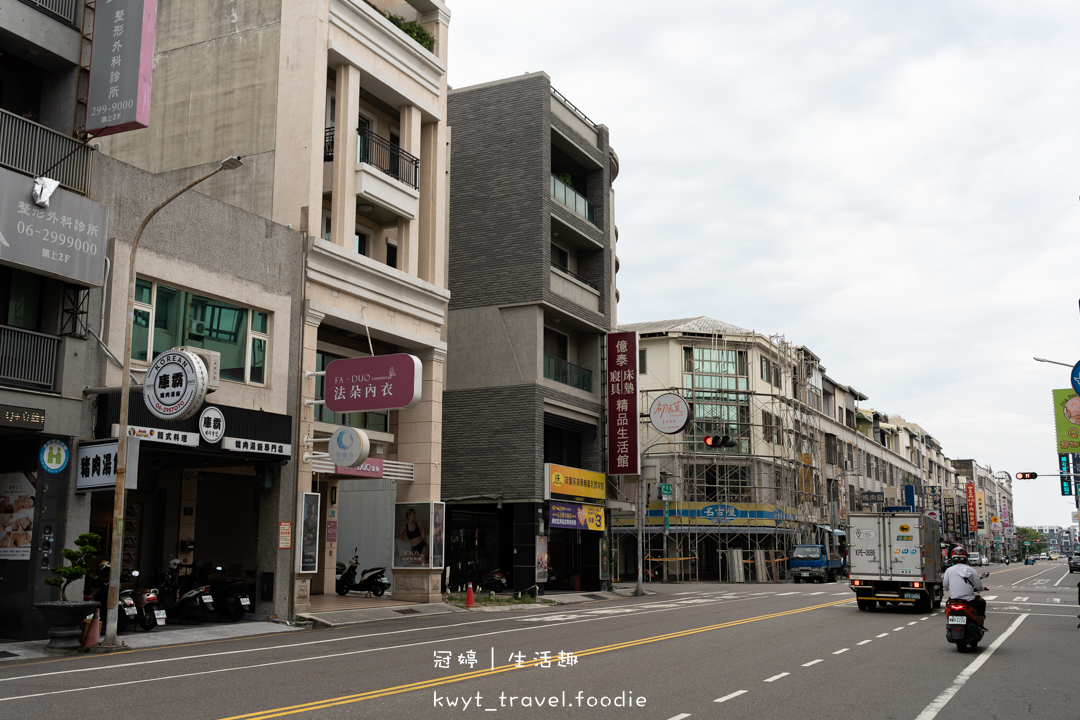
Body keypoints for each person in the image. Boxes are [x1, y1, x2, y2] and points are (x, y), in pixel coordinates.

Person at [943, 548, 986, 628]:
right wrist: (982, 588)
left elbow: (945, 586)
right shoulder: (971, 570)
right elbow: (978, 586)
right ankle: (980, 626)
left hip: (954, 600)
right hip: (969, 601)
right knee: (982, 602)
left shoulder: (949, 570)